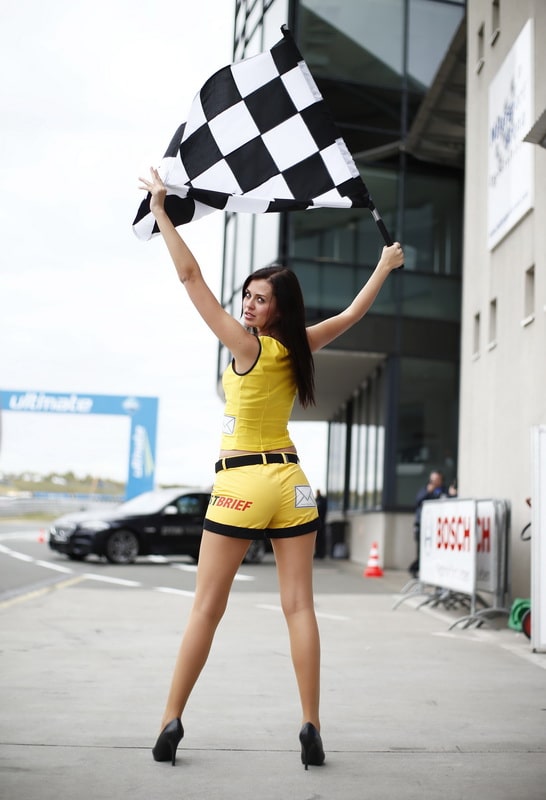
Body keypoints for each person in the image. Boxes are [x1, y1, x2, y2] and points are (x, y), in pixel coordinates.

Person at [138, 167, 405, 770]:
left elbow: (190, 277)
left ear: (277, 309)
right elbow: (353, 315)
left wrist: (161, 212)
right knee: (299, 607)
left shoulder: (247, 346)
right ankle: (311, 724)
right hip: (294, 485)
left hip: (244, 482)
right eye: (248, 296)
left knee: (206, 608)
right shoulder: (300, 347)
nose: (248, 305)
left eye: (259, 299)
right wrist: (385, 266)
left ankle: (170, 720)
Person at [408, 470, 452, 578]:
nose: (434, 482)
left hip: (439, 528)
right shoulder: (425, 490)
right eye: (432, 479)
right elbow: (418, 502)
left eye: (436, 479)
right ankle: (415, 569)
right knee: (423, 551)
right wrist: (427, 492)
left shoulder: (444, 491)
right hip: (423, 526)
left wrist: (452, 494)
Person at [314, 490, 328, 559]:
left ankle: (321, 553)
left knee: (321, 539)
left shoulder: (321, 501)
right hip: (319, 522)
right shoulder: (317, 500)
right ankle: (318, 553)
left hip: (321, 522)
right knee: (318, 539)